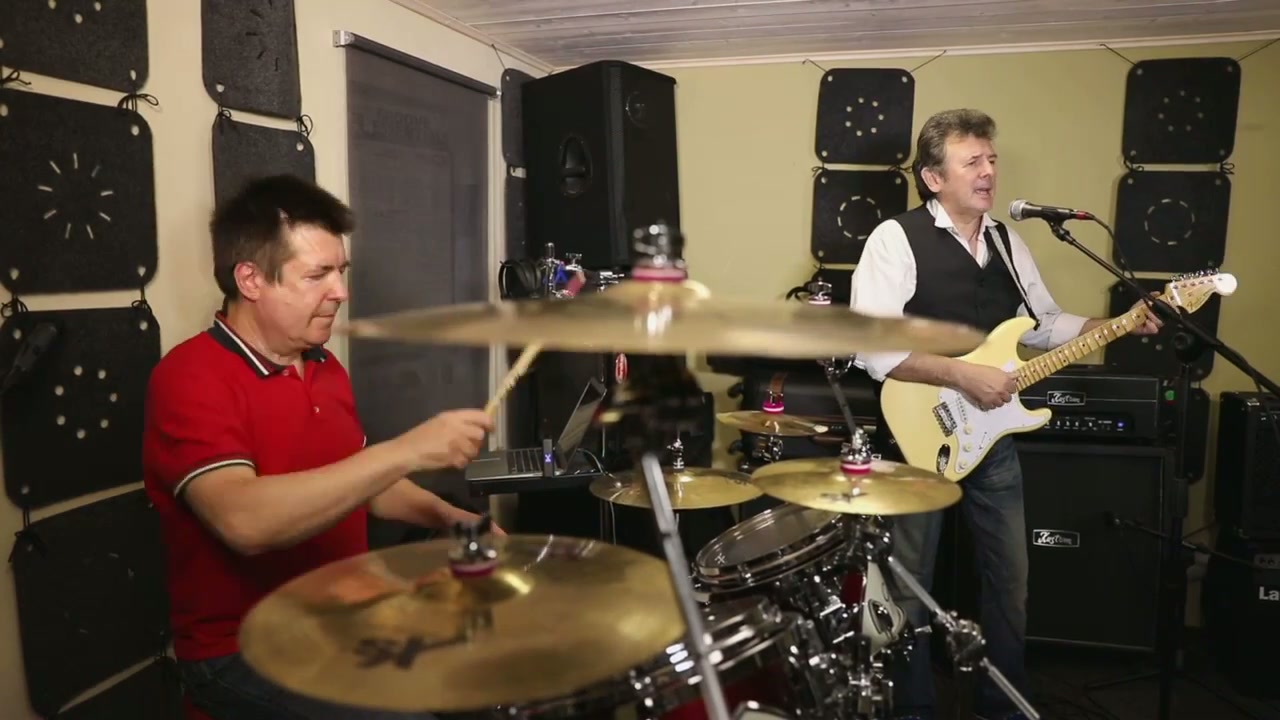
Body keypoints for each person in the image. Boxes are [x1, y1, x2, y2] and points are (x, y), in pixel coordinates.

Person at [142, 174, 503, 720]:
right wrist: (405, 450)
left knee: (493, 665)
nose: (341, 292)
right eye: (317, 275)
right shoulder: (190, 377)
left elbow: (365, 486)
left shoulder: (324, 366)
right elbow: (245, 522)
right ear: (250, 279)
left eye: (341, 271)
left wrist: (454, 519)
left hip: (344, 617)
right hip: (242, 649)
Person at [848, 109, 1160, 720]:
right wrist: (962, 374)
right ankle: (912, 708)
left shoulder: (1007, 241)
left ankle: (1004, 705)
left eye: (991, 159)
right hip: (917, 435)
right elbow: (874, 350)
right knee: (909, 585)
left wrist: (1117, 325)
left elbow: (1042, 325)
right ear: (934, 178)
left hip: (992, 439)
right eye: (972, 161)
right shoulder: (895, 238)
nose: (989, 171)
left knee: (1010, 583)